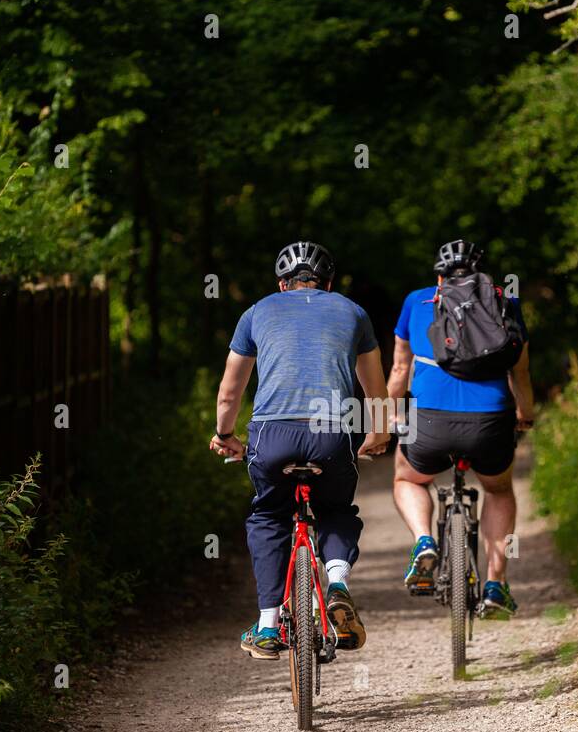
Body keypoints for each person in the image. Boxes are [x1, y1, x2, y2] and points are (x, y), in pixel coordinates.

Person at [210, 240, 390, 659]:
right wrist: (378, 433)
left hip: (272, 437)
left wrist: (225, 435)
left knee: (269, 515)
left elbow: (229, 391)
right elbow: (374, 387)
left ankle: (269, 625)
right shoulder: (352, 312)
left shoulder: (256, 312)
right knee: (336, 511)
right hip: (331, 434)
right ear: (328, 284)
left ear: (281, 283)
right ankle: (339, 585)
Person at [386, 238, 533, 619]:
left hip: (430, 422)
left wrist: (383, 423)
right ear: (482, 273)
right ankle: (496, 584)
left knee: (408, 479)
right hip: (490, 422)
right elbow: (520, 371)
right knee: (498, 489)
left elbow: (400, 371)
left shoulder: (416, 302)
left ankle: (423, 542)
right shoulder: (505, 301)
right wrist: (525, 414)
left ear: (438, 276)